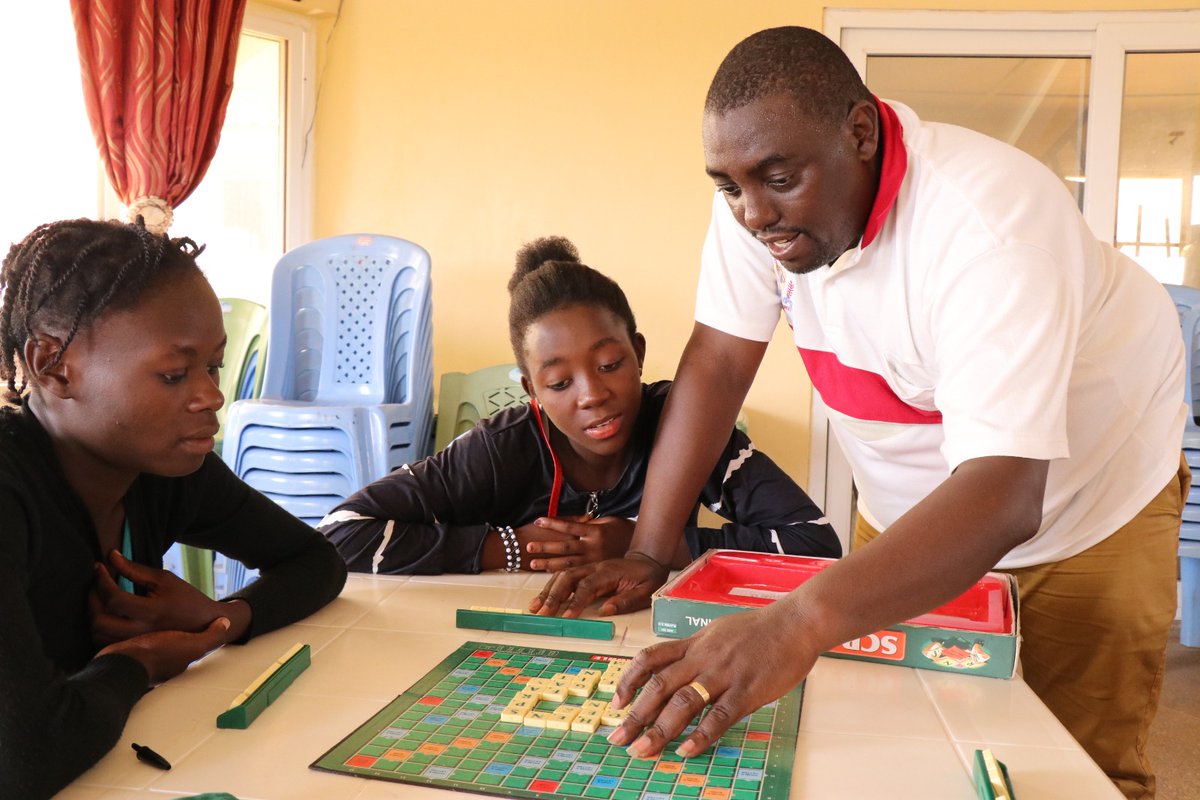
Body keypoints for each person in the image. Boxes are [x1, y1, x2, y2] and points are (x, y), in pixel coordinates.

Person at [530, 28, 1187, 800]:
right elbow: (717, 364)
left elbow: (1007, 495)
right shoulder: (763, 200)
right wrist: (648, 549)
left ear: (862, 134)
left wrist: (795, 623)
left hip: (1090, 503)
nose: (751, 213)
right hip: (914, 507)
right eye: (728, 185)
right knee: (898, 745)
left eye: (777, 179)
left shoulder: (990, 228)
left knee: (1073, 768)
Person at [0, 218, 348, 798]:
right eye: (173, 373)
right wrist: (138, 664)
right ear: (52, 365)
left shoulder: (160, 472)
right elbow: (23, 757)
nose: (212, 395)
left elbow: (315, 561)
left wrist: (216, 622)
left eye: (213, 366)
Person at [318, 236, 839, 575]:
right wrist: (512, 547)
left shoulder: (686, 429)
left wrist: (648, 545)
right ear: (532, 391)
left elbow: (816, 543)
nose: (592, 394)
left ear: (637, 353)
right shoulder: (501, 450)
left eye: (609, 364)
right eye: (560, 382)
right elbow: (340, 531)